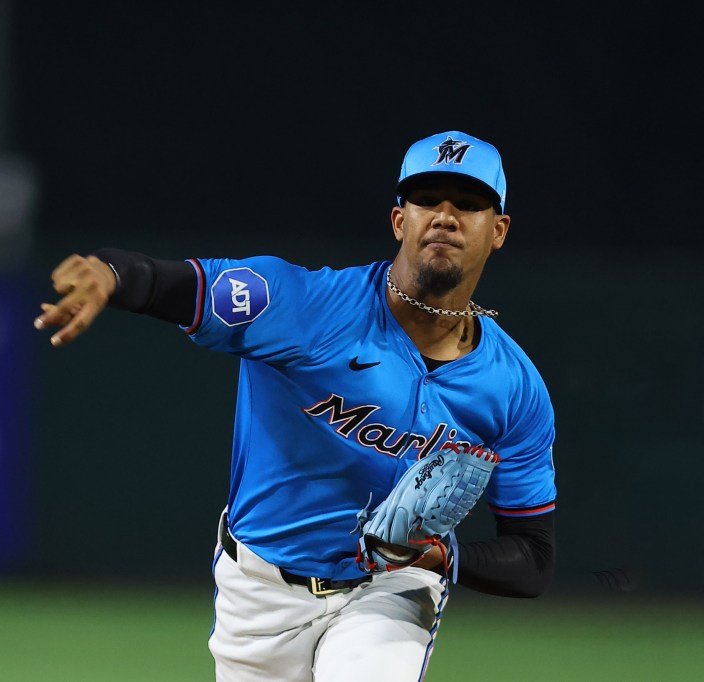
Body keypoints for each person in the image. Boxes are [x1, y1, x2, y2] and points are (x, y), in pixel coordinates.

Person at [34, 130, 556, 681]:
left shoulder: (514, 389)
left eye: (468, 204)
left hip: (390, 592)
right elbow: (182, 285)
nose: (445, 216)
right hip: (258, 590)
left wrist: (446, 558)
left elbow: (532, 558)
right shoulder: (305, 307)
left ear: (497, 231)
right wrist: (112, 276)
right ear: (400, 220)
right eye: (428, 199)